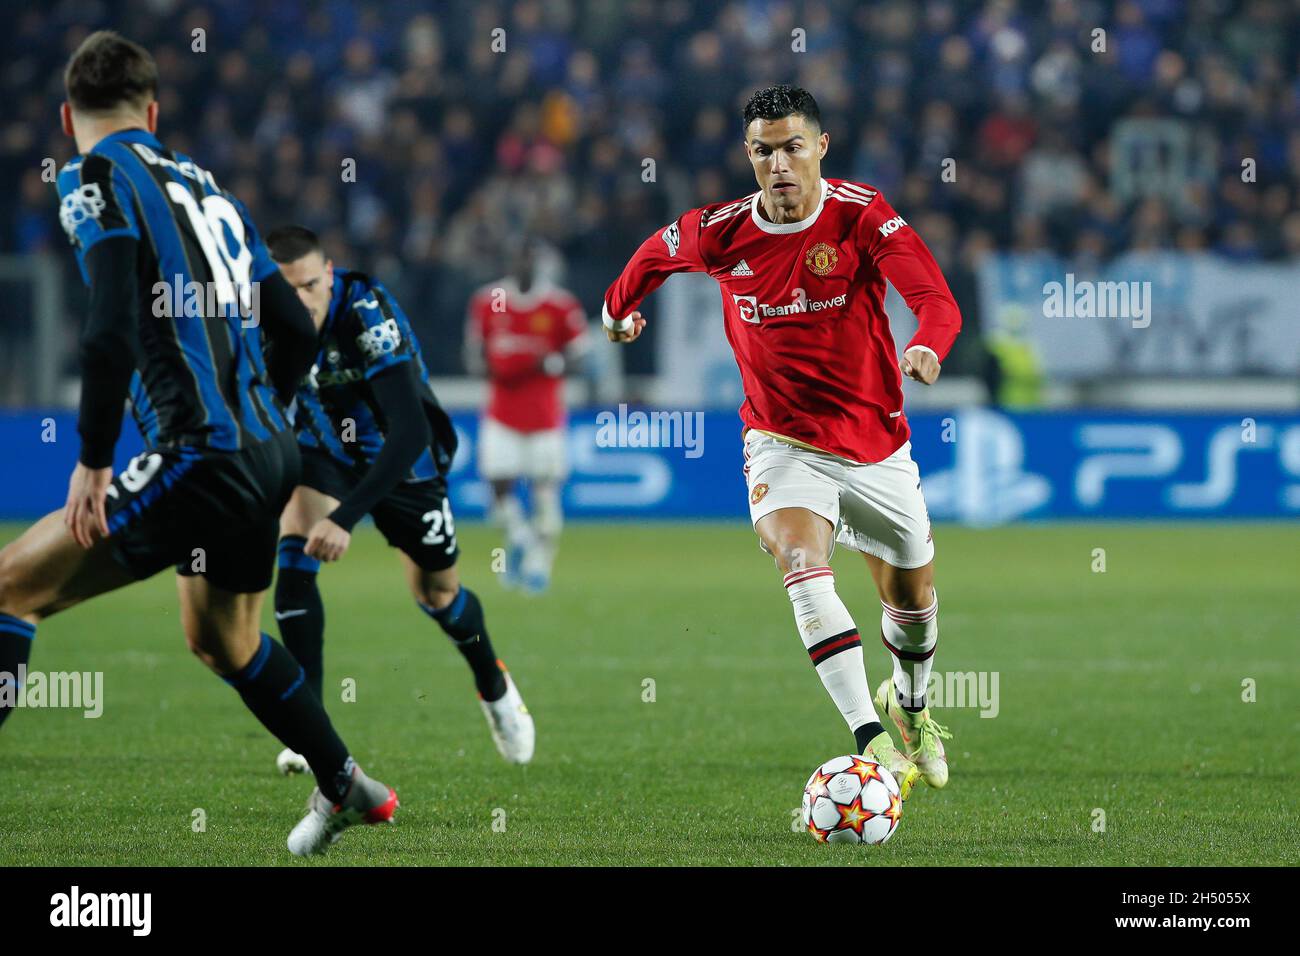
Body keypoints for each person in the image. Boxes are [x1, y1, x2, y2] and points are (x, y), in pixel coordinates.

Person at [0, 31, 395, 856]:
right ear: (153, 109)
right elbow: (291, 322)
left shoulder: (96, 174)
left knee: (11, 589)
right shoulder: (207, 185)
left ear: (67, 115)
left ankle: (345, 780)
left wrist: (95, 457)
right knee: (225, 641)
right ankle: (348, 783)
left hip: (196, 451)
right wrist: (263, 417)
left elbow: (106, 329)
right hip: (265, 450)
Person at [602, 86, 962, 803]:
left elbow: (934, 298)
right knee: (800, 559)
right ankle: (871, 738)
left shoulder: (863, 215)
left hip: (876, 444)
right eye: (763, 150)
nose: (779, 163)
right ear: (749, 155)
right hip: (781, 440)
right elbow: (644, 263)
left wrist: (927, 345)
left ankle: (911, 707)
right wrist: (616, 318)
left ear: (821, 147)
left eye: (793, 146)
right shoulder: (720, 232)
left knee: (914, 607)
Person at [266, 225, 534, 773]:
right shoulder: (262, 318)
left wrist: (344, 518)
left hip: (402, 455)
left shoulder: (365, 311)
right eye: (287, 290)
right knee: (293, 555)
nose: (302, 300)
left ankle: (493, 683)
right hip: (324, 449)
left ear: (330, 275)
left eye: (311, 285)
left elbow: (409, 428)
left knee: (439, 594)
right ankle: (306, 724)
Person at [465, 237, 588, 593]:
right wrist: (495, 366)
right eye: (518, 259)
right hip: (502, 412)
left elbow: (580, 355)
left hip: (545, 415)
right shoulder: (488, 301)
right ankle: (518, 537)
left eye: (530, 260)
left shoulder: (560, 305)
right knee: (498, 487)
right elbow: (474, 355)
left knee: (545, 495)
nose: (523, 266)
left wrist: (549, 362)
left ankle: (539, 569)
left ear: (539, 265)